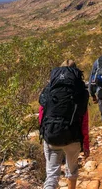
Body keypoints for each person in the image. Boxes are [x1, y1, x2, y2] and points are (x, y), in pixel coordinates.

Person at [39, 60, 90, 189]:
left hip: (51, 135)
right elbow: (84, 121)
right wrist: (86, 145)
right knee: (72, 170)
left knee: (52, 175)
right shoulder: (80, 91)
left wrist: (44, 133)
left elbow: (41, 115)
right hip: (73, 137)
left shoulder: (49, 89)